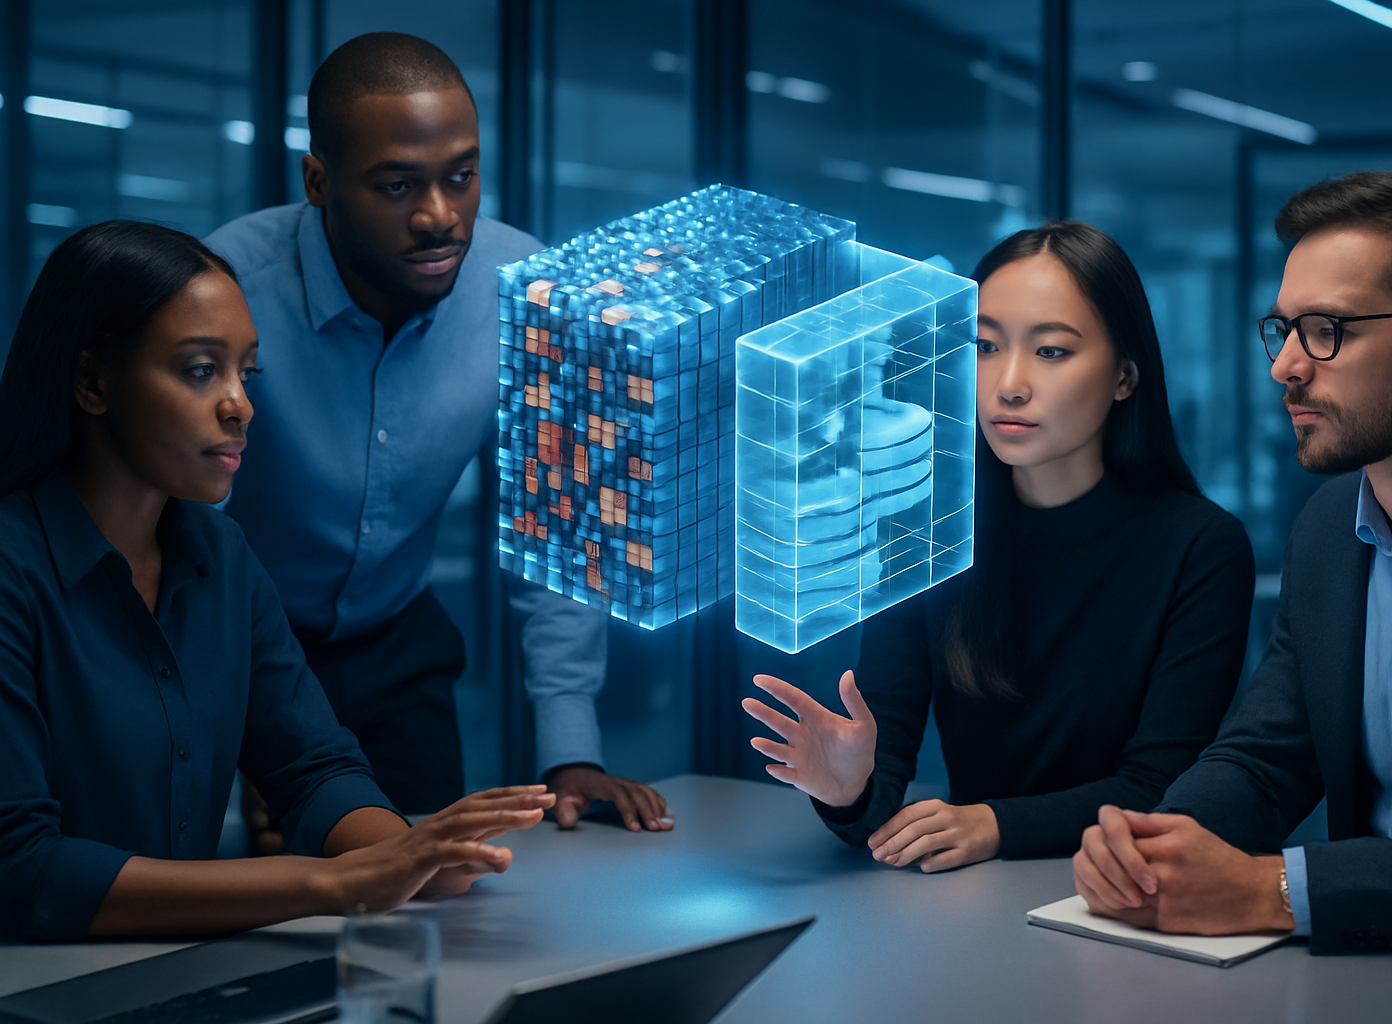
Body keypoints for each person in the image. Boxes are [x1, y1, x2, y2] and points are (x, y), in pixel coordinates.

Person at [0, 220, 556, 941]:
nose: (240, 405)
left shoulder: (221, 555)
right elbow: (20, 868)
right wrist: (339, 881)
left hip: (175, 975)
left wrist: (410, 855)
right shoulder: (14, 569)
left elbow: (314, 766)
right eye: (201, 370)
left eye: (246, 372)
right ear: (93, 383)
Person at [204, 33, 669, 835]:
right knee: (259, 919)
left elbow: (558, 529)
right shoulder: (229, 290)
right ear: (318, 182)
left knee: (435, 902)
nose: (439, 216)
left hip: (397, 646)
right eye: (396, 186)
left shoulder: (527, 293)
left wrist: (570, 751)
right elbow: (173, 527)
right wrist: (249, 725)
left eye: (461, 176)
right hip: (235, 642)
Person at [1072, 171, 1392, 954]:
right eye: (1282, 328)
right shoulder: (1326, 529)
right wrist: (1152, 848)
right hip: (1365, 972)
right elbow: (1264, 756)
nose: (1286, 365)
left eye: (1327, 330)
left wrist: (1270, 889)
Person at [742, 222, 1255, 871]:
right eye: (984, 346)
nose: (1009, 383)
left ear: (1126, 375)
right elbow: (884, 788)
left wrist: (994, 824)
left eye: (1051, 352)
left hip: (1131, 892)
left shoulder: (1201, 547)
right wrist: (847, 788)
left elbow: (1161, 787)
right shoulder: (928, 528)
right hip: (971, 906)